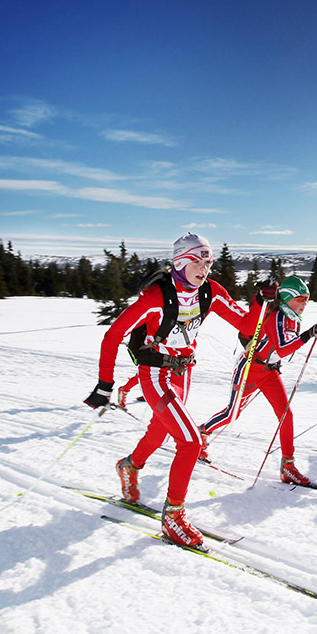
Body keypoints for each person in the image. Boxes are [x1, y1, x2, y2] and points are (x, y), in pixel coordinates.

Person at [83, 232, 248, 548]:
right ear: (181, 261)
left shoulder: (210, 291)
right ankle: (173, 516)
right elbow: (112, 335)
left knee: (159, 432)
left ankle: (129, 466)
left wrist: (265, 304)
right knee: (190, 441)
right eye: (198, 261)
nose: (204, 268)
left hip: (183, 372)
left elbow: (245, 322)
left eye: (208, 261)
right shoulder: (155, 297)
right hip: (155, 373)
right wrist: (105, 385)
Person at [198, 275, 317, 486]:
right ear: (288, 297)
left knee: (286, 415)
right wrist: (308, 334)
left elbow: (286, 346)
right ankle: (200, 434)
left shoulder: (292, 317)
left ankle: (288, 467)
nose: (305, 304)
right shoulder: (277, 317)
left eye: (307, 299)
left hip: (269, 373)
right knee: (232, 413)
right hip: (250, 369)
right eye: (301, 299)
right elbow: (283, 349)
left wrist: (309, 332)